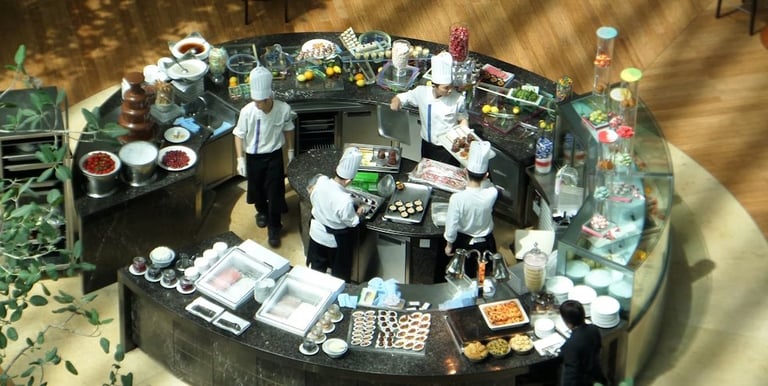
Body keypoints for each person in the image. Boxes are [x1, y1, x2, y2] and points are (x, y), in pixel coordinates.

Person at [234, 66, 295, 248]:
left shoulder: (283, 109)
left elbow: (289, 128)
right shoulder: (247, 112)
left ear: (269, 98)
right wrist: (240, 159)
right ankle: (261, 211)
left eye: (260, 101)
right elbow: (238, 135)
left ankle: (274, 227)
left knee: (275, 192)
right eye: (255, 101)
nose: (257, 104)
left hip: (274, 156)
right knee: (256, 189)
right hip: (253, 157)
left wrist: (290, 152)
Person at [390, 51, 468, 167]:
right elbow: (402, 97)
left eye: (451, 86)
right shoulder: (421, 92)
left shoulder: (458, 99)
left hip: (448, 147)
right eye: (446, 88)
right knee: (427, 172)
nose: (450, 90)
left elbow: (462, 118)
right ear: (434, 85)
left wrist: (464, 133)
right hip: (427, 144)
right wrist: (395, 102)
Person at [306, 147, 365, 281]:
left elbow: (313, 190)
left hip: (315, 234)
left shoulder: (321, 181)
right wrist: (360, 211)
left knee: (316, 270)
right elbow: (352, 221)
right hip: (333, 241)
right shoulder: (344, 201)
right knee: (338, 275)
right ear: (349, 181)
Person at [442, 140, 498, 279]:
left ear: (465, 172)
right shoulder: (492, 193)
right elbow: (487, 184)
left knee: (463, 276)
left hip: (463, 243)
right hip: (486, 242)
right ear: (486, 175)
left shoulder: (457, 198)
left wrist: (449, 245)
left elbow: (452, 225)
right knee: (482, 275)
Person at [559, 300, 609, 386]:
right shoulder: (593, 329)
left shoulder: (571, 345)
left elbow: (571, 375)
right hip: (597, 376)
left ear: (568, 322)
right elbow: (599, 348)